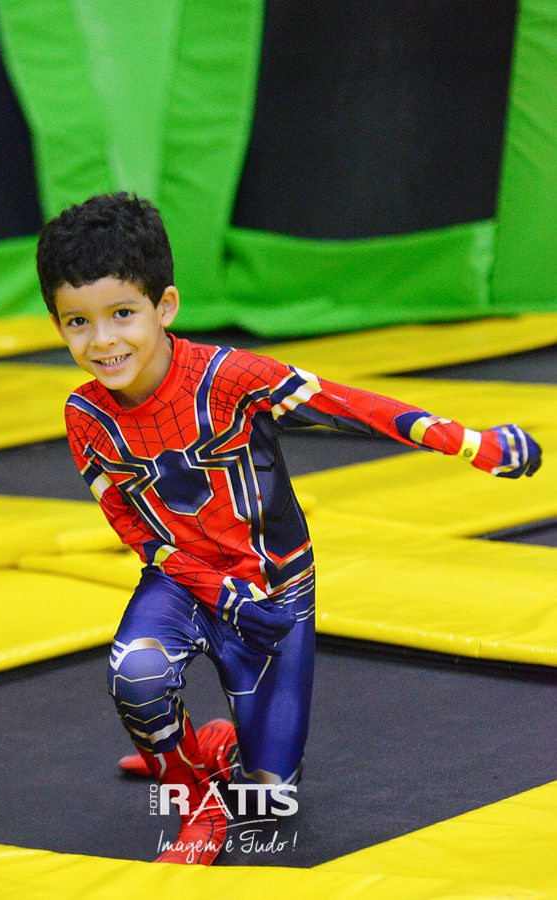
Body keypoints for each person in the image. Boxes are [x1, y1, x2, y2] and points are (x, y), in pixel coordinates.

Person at [36, 191, 542, 866]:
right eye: (78, 322)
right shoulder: (86, 416)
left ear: (166, 307)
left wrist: (472, 443)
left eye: (121, 314)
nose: (102, 340)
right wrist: (212, 589)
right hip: (187, 582)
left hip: (275, 592)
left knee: (270, 799)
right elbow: (134, 528)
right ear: (57, 324)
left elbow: (348, 405)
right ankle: (195, 797)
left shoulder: (232, 379)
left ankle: (217, 751)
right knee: (137, 674)